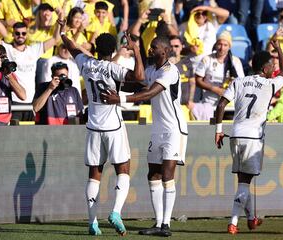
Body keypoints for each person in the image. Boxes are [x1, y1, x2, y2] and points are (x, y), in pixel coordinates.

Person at [59, 17, 145, 235]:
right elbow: (140, 77)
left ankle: (92, 222)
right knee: (123, 168)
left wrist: (62, 31)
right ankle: (116, 212)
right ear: (114, 50)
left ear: (96, 48)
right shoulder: (113, 69)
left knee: (94, 174)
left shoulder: (86, 63)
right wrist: (135, 50)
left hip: (93, 125)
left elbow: (71, 46)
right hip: (113, 126)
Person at [101, 36, 188, 237]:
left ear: (165, 51)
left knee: (167, 176)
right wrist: (113, 84)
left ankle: (166, 225)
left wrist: (119, 99)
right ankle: (158, 223)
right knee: (153, 175)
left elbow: (149, 93)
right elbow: (139, 85)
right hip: (158, 129)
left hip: (174, 129)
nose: (151, 49)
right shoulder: (151, 70)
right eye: (150, 46)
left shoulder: (170, 71)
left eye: (154, 47)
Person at [214, 39, 283, 234]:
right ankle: (233, 222)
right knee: (245, 182)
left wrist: (218, 130)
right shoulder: (270, 84)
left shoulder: (238, 81)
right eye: (271, 65)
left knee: (243, 181)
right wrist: (279, 49)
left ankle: (252, 218)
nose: (274, 67)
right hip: (253, 138)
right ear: (264, 68)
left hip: (235, 135)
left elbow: (221, 105)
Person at [0, 7, 62, 121]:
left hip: (31, 102)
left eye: (23, 33)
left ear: (27, 34)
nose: (21, 35)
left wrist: (60, 18)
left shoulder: (33, 50)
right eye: (17, 33)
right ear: (13, 34)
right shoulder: (8, 49)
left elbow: (55, 38)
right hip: (14, 101)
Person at [189, 31, 244, 120]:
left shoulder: (235, 61)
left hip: (229, 105)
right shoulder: (207, 59)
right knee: (211, 131)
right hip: (209, 103)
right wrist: (214, 89)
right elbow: (198, 80)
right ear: (216, 44)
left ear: (229, 46)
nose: (222, 48)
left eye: (225, 45)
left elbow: (241, 82)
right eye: (219, 44)